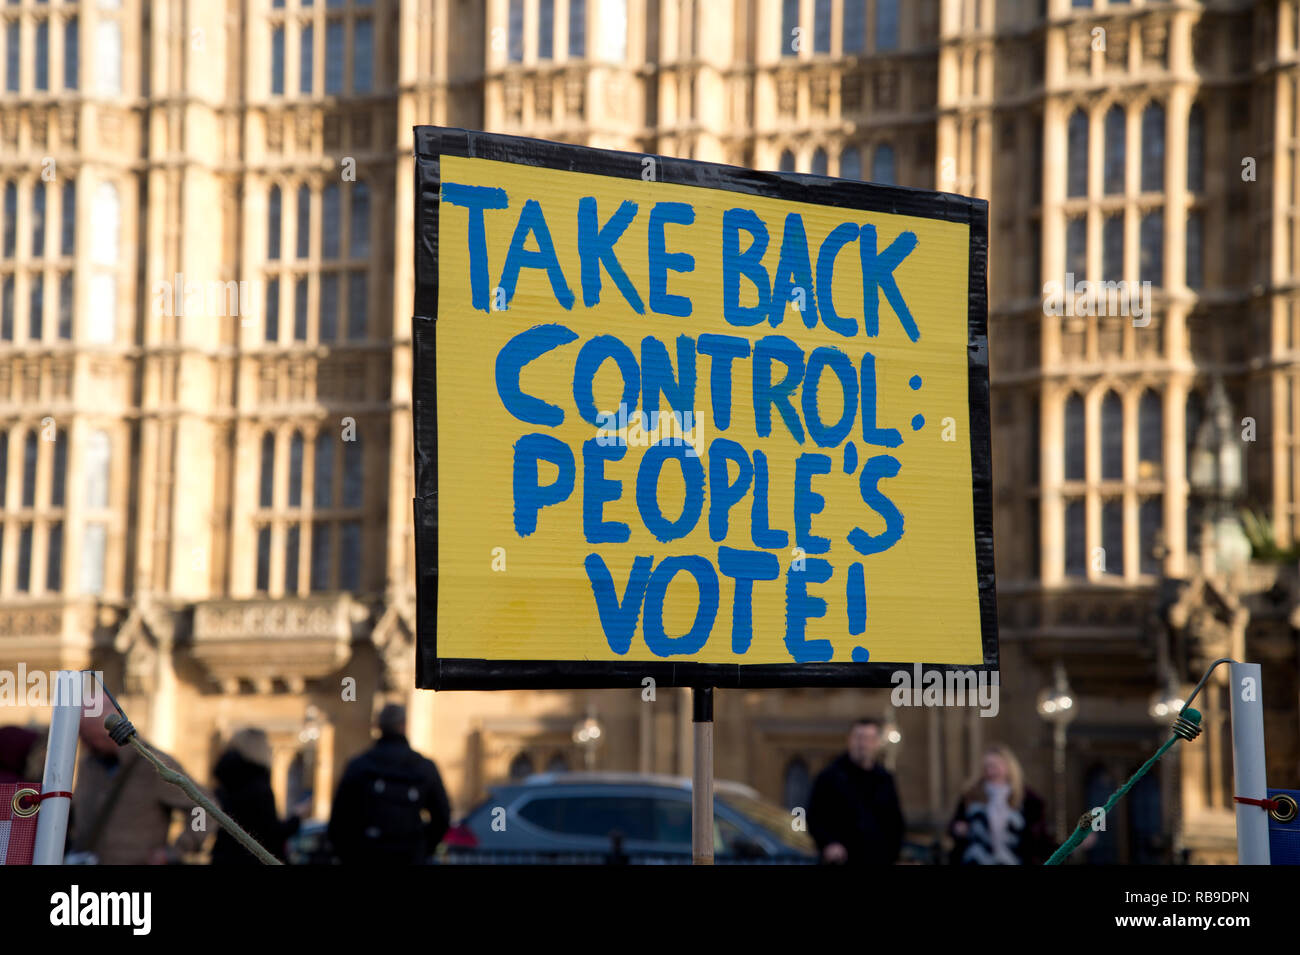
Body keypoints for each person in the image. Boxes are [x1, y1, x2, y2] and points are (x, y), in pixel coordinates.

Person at [66, 704, 210, 865]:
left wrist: (176, 851)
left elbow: (203, 807)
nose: (85, 745)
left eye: (88, 738)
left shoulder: (155, 765)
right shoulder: (89, 763)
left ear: (106, 733)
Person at [327, 704, 451, 864]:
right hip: (410, 855)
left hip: (368, 855)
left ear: (378, 727)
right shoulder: (424, 766)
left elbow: (339, 821)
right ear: (404, 725)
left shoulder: (358, 765)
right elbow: (442, 816)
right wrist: (422, 849)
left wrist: (352, 855)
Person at [807, 718, 905, 865]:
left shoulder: (884, 778)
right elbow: (814, 816)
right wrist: (828, 843)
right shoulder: (830, 776)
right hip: (843, 859)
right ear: (850, 740)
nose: (863, 744)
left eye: (869, 739)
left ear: (877, 743)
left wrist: (893, 852)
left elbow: (895, 821)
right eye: (859, 738)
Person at [211, 728, 303, 865]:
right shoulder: (259, 788)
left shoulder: (224, 783)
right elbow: (271, 836)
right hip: (251, 859)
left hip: (223, 857)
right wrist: (297, 817)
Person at [948, 743, 1051, 865]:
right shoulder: (971, 794)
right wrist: (958, 829)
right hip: (976, 859)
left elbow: (1040, 837)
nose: (990, 771)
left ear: (1008, 767)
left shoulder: (1027, 799)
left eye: (995, 766)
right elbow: (955, 824)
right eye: (987, 767)